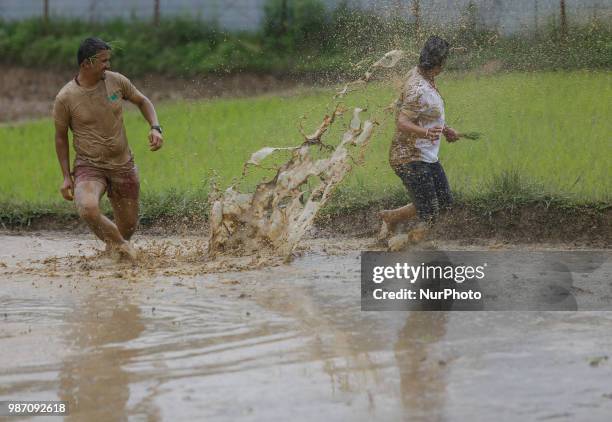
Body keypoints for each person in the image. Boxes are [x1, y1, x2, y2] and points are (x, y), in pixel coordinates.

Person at [53, 37, 164, 260]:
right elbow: (60, 138)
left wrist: (155, 127)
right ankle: (127, 251)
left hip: (123, 165)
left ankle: (115, 256)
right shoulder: (65, 98)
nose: (108, 65)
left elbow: (143, 101)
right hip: (90, 166)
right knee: (88, 207)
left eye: (109, 60)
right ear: (87, 63)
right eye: (104, 61)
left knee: (128, 226)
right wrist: (66, 177)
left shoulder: (117, 82)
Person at [379, 36, 461, 243]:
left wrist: (443, 129)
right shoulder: (418, 89)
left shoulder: (423, 76)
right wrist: (426, 134)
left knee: (443, 201)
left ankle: (391, 217)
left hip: (425, 155)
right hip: (409, 157)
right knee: (430, 212)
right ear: (440, 65)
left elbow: (425, 114)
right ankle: (405, 245)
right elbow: (402, 122)